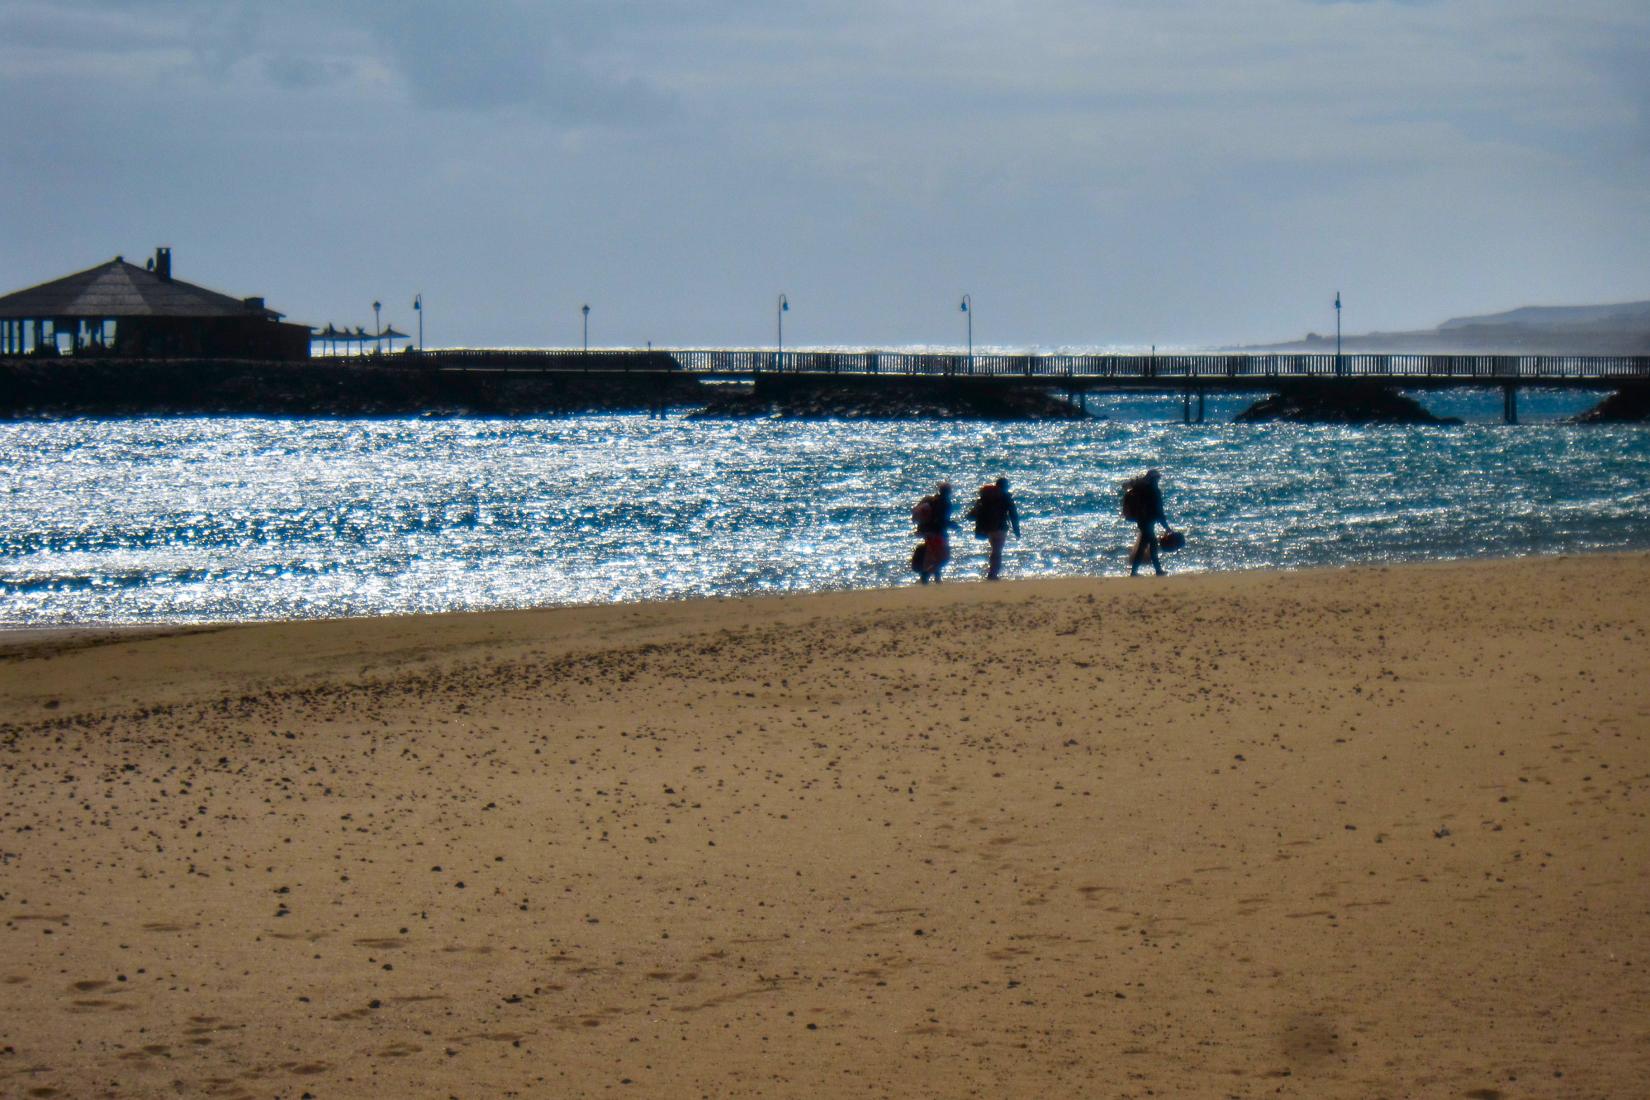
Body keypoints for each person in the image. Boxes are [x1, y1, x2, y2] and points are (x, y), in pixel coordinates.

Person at [1123, 468, 1176, 576]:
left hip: (1142, 521)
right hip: (1147, 522)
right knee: (1151, 545)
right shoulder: (1154, 492)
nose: (1158, 481)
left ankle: (1142, 571)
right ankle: (1155, 571)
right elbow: (1159, 511)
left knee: (1147, 546)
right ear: (1154, 479)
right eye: (1157, 479)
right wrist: (1166, 527)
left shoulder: (1143, 490)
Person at [967, 477, 1020, 580]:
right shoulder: (1006, 497)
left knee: (995, 549)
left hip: (989, 528)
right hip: (1001, 527)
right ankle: (993, 574)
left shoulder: (987, 497)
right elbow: (1013, 514)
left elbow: (975, 513)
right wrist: (1016, 530)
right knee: (997, 550)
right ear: (1005, 486)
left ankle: (992, 572)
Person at [913, 482, 960, 584]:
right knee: (943, 558)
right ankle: (926, 575)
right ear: (948, 491)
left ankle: (937, 578)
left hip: (927, 532)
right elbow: (941, 520)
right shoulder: (944, 503)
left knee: (934, 555)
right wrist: (953, 525)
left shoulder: (931, 501)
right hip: (937, 533)